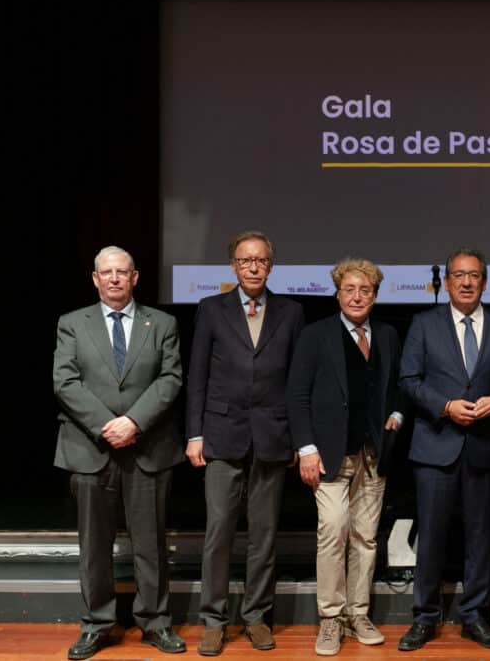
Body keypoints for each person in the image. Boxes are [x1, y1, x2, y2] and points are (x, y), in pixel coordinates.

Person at [52, 246, 186, 659]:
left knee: (151, 544)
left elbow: (170, 378)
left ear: (135, 277)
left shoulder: (161, 323)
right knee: (94, 546)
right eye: (106, 272)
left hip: (147, 447)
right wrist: (108, 426)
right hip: (90, 448)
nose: (114, 278)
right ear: (95, 279)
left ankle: (156, 623)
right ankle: (96, 625)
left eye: (121, 272)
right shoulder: (72, 323)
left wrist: (134, 422)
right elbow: (65, 381)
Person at [186, 231, 304, 656]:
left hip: (272, 436)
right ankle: (214, 620)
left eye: (260, 260)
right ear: (233, 267)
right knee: (218, 533)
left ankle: (256, 617)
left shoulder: (291, 312)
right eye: (244, 261)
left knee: (264, 536)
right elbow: (197, 375)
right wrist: (194, 434)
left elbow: (295, 381)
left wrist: (297, 437)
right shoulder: (211, 309)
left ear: (270, 266)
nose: (253, 267)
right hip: (221, 436)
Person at [287, 257, 403, 656]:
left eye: (365, 290)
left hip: (374, 455)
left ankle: (359, 613)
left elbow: (397, 388)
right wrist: (305, 448)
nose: (357, 296)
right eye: (350, 289)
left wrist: (397, 414)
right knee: (333, 532)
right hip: (329, 456)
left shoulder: (386, 335)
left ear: (375, 295)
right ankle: (330, 618)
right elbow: (297, 395)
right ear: (337, 293)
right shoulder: (316, 336)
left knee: (366, 538)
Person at [397, 248, 490, 652]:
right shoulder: (424, 324)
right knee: (432, 538)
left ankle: (475, 617)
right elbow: (409, 379)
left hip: (483, 446)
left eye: (474, 275)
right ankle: (425, 617)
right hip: (435, 446)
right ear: (445, 282)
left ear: (484, 281)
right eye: (458, 275)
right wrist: (444, 406)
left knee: (480, 538)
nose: (466, 282)